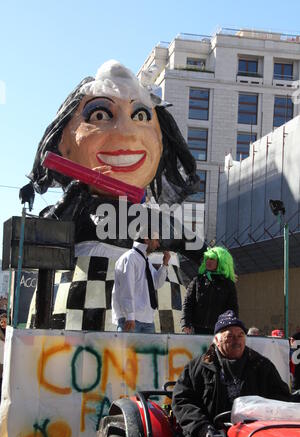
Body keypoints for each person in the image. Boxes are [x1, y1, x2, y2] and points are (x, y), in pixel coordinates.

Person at [23, 60, 205, 332]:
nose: (127, 132)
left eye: (141, 116)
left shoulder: (156, 221)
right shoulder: (79, 208)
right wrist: (75, 194)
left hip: (160, 332)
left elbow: (202, 253)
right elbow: (43, 241)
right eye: (99, 115)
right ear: (63, 142)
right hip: (75, 329)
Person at [172, 310, 292, 437]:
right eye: (230, 335)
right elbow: (182, 400)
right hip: (210, 433)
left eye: (240, 335)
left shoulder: (261, 365)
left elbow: (281, 397)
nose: (237, 339)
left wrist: (264, 415)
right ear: (216, 340)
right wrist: (203, 428)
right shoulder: (197, 367)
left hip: (254, 433)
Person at [112, 230, 170, 333]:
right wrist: (130, 316)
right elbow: (127, 288)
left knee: (148, 350)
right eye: (156, 240)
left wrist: (165, 264)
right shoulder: (129, 258)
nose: (158, 244)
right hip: (131, 320)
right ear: (147, 239)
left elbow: (156, 284)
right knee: (128, 350)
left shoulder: (145, 260)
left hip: (148, 320)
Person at [181, 246, 238, 335]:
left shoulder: (228, 284)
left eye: (212, 259)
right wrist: (185, 324)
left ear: (221, 262)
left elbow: (232, 309)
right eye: (207, 258)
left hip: (218, 331)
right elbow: (187, 304)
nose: (208, 261)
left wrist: (232, 328)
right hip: (196, 330)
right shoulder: (197, 280)